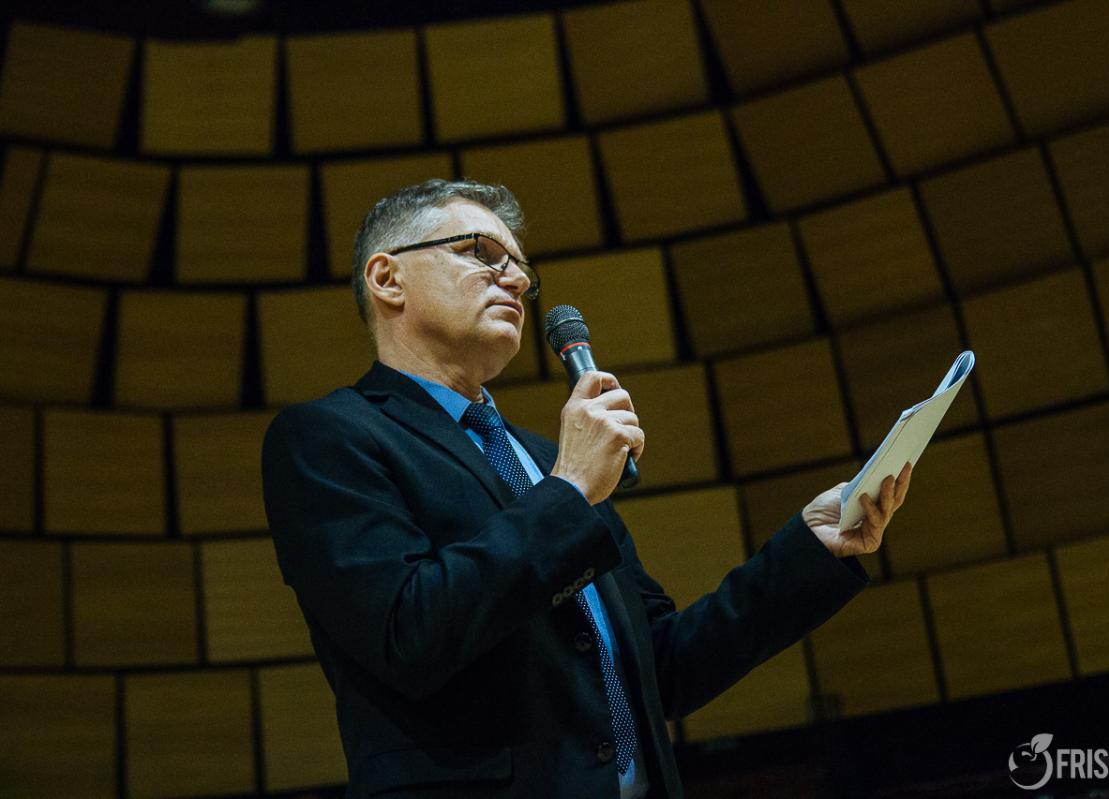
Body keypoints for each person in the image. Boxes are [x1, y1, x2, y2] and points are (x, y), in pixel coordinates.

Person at [261, 178, 912, 799]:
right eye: (480, 252)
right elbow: (410, 634)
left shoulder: (549, 460)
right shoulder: (328, 437)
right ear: (387, 278)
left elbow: (660, 667)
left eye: (522, 268)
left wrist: (809, 549)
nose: (518, 279)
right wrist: (570, 488)